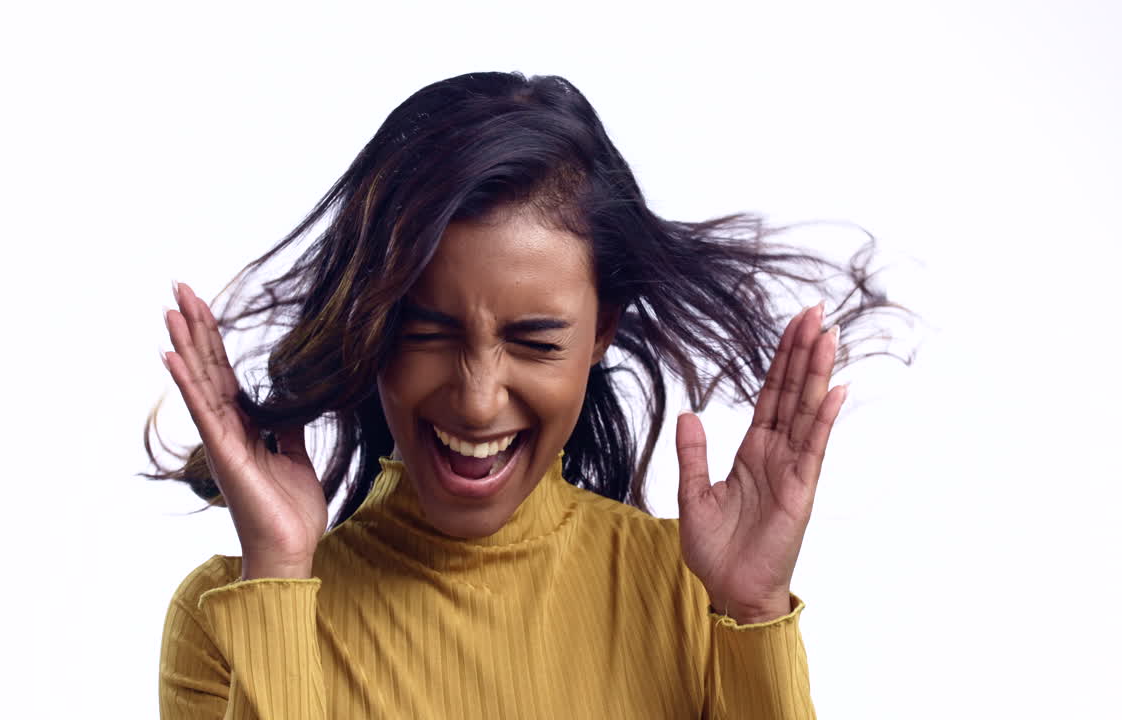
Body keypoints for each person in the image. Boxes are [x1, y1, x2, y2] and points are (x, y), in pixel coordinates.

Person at [148, 71, 908, 719]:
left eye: (536, 341)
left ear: (602, 328)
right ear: (371, 325)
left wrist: (751, 616)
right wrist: (279, 579)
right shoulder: (234, 615)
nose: (478, 401)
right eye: (427, 331)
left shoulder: (696, 598)